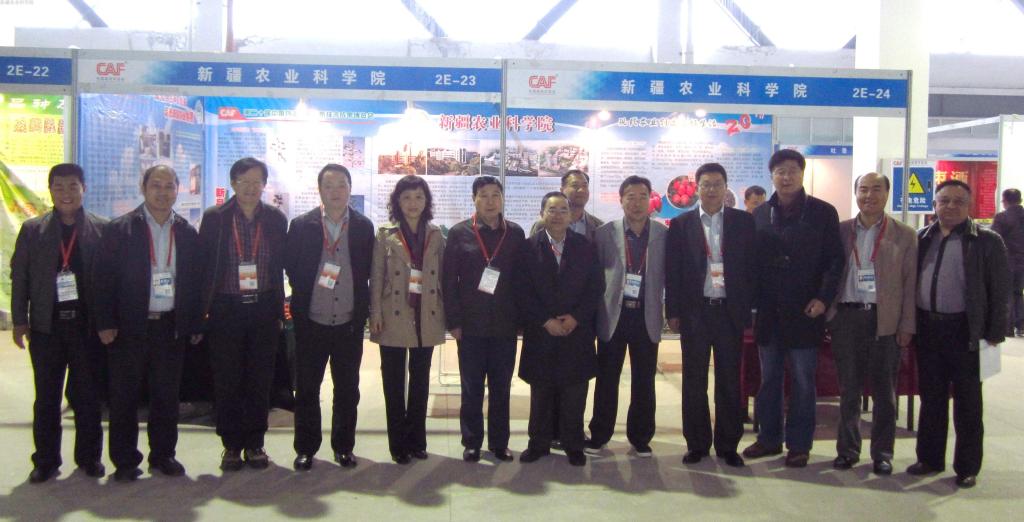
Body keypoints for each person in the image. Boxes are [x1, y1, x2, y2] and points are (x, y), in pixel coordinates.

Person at [92, 165, 203, 482]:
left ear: (178, 190)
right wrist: (105, 322)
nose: (162, 192)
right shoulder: (120, 229)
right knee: (124, 396)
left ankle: (163, 455)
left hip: (170, 326)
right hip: (129, 326)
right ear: (143, 188)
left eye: (169, 186)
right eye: (156, 185)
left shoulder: (186, 232)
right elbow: (102, 279)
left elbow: (194, 281)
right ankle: (125, 460)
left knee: (166, 396)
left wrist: (194, 323)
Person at [743, 149, 845, 468]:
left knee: (803, 380)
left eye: (792, 171)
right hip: (769, 313)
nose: (786, 177)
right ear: (771, 176)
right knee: (769, 378)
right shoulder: (760, 214)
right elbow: (751, 265)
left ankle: (799, 444)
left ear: (802, 174)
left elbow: (835, 261)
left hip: (806, 311)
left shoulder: (822, 212)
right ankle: (769, 438)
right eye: (780, 172)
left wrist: (823, 298)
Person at [907, 179, 1009, 489]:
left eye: (958, 201)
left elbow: (1000, 289)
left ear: (969, 206)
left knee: (968, 403)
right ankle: (929, 459)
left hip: (966, 331)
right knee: (931, 398)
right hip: (928, 329)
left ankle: (967, 467)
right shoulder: (922, 237)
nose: (950, 206)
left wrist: (995, 332)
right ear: (934, 205)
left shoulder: (987, 241)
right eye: (944, 201)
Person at [10, 163, 107, 483]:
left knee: (87, 397)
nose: (66, 193)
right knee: (47, 398)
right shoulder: (33, 230)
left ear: (84, 189)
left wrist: (109, 322)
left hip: (86, 328)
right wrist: (19, 321)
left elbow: (110, 281)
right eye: (59, 187)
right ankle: (46, 460)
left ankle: (89, 458)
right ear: (50, 191)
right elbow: (20, 277)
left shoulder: (101, 229)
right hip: (46, 328)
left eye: (73, 186)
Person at [198, 157, 288, 471]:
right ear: (233, 183)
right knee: (228, 379)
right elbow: (203, 265)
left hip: (263, 308)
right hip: (226, 308)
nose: (251, 188)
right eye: (244, 181)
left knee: (260, 379)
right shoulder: (215, 218)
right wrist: (202, 310)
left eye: (256, 182)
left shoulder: (275, 219)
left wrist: (280, 309)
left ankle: (255, 443)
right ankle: (231, 445)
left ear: (264, 185)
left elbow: (280, 264)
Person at [825, 172, 917, 476]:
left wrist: (907, 325)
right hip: (847, 318)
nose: (869, 196)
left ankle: (882, 454)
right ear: (856, 194)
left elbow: (910, 283)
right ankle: (847, 450)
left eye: (876, 189)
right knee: (848, 390)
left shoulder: (905, 234)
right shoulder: (840, 231)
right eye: (863, 189)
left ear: (887, 194)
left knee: (884, 394)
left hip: (884, 320)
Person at [284, 164, 374, 471]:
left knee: (347, 390)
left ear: (350, 188)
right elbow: (291, 266)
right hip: (312, 321)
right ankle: (306, 448)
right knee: (307, 389)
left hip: (348, 323)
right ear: (319, 189)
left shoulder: (363, 226)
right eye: (329, 186)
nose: (335, 192)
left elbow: (367, 270)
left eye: (341, 185)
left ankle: (343, 447)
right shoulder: (301, 225)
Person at [666, 163, 756, 468]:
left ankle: (728, 445)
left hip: (730, 312)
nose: (712, 189)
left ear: (726, 187)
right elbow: (673, 271)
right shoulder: (681, 224)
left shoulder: (743, 222)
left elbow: (751, 268)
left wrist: (748, 307)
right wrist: (673, 311)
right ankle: (697, 444)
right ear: (697, 188)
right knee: (694, 380)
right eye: (706, 184)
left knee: (730, 380)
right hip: (696, 312)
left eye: (717, 184)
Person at [443, 176, 526, 463]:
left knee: (501, 387)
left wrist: (521, 321)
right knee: (472, 387)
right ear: (474, 199)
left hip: (505, 324)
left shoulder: (515, 233)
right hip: (471, 325)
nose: (490, 201)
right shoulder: (459, 233)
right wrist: (453, 322)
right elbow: (449, 280)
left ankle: (500, 443)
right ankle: (472, 442)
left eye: (495, 195)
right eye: (484, 195)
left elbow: (521, 280)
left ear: (502, 199)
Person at [518, 191, 603, 466]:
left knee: (574, 391)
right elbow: (522, 290)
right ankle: (538, 443)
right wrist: (546, 320)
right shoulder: (528, 247)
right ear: (542, 214)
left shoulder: (585, 246)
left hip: (576, 332)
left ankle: (573, 444)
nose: (557, 215)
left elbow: (595, 287)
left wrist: (576, 318)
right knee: (541, 391)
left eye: (563, 210)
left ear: (570, 215)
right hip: (541, 331)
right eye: (551, 210)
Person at [585, 176, 666, 458]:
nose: (637, 202)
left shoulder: (663, 234)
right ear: (621, 200)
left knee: (645, 380)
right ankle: (599, 434)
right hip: (613, 315)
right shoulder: (604, 233)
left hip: (646, 314)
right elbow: (594, 277)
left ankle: (641, 437)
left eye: (643, 196)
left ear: (650, 200)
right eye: (630, 196)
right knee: (607, 378)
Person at [370, 175, 446, 465]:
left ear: (426, 201)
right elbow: (376, 276)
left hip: (425, 313)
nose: (413, 203)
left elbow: (443, 276)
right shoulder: (385, 234)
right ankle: (398, 444)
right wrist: (375, 313)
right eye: (406, 197)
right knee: (393, 382)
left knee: (420, 380)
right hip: (393, 312)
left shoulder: (436, 234)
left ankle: (417, 441)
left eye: (418, 197)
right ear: (397, 202)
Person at [531, 169, 604, 241]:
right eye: (575, 185)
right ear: (562, 190)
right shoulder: (542, 225)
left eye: (585, 186)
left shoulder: (599, 226)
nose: (581, 190)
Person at [991, 188, 1024, 337]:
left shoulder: (1002, 217)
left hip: (1007, 261)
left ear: (1005, 201)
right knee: (1018, 292)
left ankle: (1008, 327)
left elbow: (994, 239)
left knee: (1006, 293)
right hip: (1022, 261)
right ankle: (1021, 325)